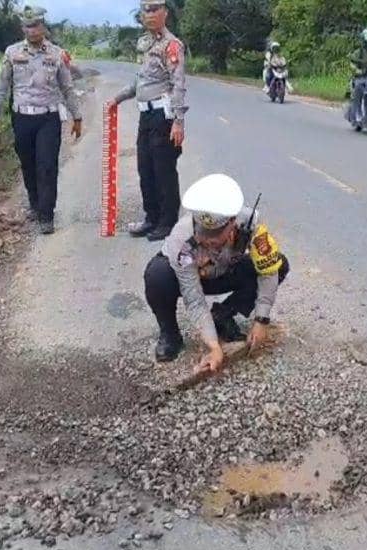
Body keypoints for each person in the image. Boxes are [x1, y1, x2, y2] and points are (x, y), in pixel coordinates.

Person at [143, 174, 291, 371]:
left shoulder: (250, 224)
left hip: (226, 271)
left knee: (278, 263)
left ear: (231, 222)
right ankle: (170, 333)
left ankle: (222, 314)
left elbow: (268, 272)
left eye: (214, 236)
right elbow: (194, 298)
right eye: (203, 235)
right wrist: (214, 347)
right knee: (157, 275)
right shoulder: (181, 238)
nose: (208, 241)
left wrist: (261, 320)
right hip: (194, 278)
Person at [0, 6, 82, 235]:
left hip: (48, 118)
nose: (33, 29)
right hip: (22, 118)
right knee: (28, 165)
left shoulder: (57, 54)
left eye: (37, 24)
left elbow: (67, 88)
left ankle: (47, 215)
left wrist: (76, 116)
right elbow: (0, 86)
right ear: (23, 28)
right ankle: (35, 204)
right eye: (28, 25)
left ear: (43, 26)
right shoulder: (12, 53)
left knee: (47, 165)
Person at [110, 0, 187, 242]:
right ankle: (151, 217)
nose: (150, 14)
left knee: (163, 169)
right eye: (145, 10)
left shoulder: (172, 45)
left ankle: (168, 222)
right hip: (145, 115)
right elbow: (140, 81)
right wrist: (117, 98)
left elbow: (178, 85)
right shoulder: (144, 44)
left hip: (163, 116)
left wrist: (178, 121)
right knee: (145, 168)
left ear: (165, 13)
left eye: (155, 9)